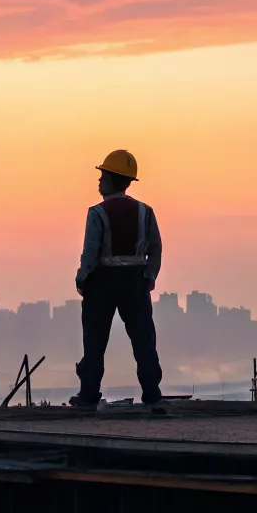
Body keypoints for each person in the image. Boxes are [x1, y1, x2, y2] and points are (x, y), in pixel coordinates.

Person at [71, 149, 165, 412]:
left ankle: (89, 394)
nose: (99, 181)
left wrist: (82, 279)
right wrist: (150, 276)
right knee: (143, 338)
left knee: (95, 340)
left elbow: (90, 253)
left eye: (102, 175)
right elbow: (156, 248)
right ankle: (152, 393)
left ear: (113, 179)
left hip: (102, 281)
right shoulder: (145, 212)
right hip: (136, 281)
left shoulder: (97, 213)